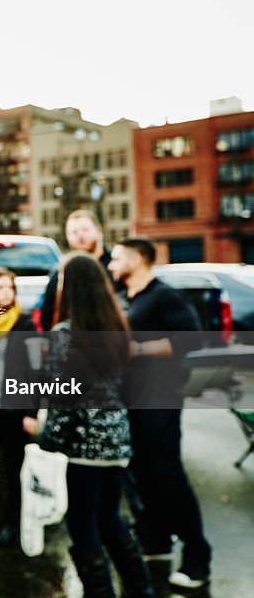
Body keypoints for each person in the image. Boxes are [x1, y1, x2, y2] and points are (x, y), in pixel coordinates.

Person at [32, 253, 153, 598]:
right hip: (115, 444)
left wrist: (47, 441)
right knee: (110, 519)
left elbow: (62, 399)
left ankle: (101, 592)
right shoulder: (118, 329)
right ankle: (141, 589)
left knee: (83, 527)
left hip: (81, 449)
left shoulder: (65, 334)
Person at [108, 237, 211, 591]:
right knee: (143, 474)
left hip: (160, 399)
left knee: (169, 476)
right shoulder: (126, 297)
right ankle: (157, 541)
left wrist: (137, 348)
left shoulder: (164, 296)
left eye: (117, 258)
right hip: (132, 399)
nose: (110, 264)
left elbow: (191, 339)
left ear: (138, 259)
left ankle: (198, 558)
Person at [0, 267, 37, 549]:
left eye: (10, 288)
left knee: (15, 471)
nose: (5, 293)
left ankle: (10, 526)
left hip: (12, 409)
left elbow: (36, 371)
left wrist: (31, 412)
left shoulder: (24, 323)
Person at [39, 210, 114, 331]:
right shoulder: (61, 272)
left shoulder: (115, 265)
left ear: (99, 232)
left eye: (85, 230)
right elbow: (48, 313)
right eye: (74, 232)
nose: (80, 235)